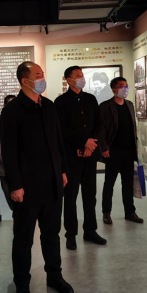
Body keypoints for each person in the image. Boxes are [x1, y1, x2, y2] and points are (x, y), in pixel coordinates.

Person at [0, 61, 74, 293]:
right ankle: (22, 283)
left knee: (52, 234)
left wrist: (63, 170)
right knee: (24, 238)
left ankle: (54, 276)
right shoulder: (12, 111)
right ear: (25, 81)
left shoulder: (49, 106)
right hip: (27, 187)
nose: (43, 79)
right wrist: (15, 185)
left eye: (42, 74)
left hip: (52, 183)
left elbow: (58, 142)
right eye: (38, 75)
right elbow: (8, 151)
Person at [55, 66, 107, 250]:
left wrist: (91, 143)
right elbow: (61, 129)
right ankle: (71, 234)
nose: (81, 78)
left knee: (90, 196)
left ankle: (90, 230)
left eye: (82, 75)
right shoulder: (60, 102)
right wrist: (83, 142)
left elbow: (99, 123)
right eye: (78, 76)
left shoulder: (91, 99)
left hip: (90, 157)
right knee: (70, 198)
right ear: (68, 80)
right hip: (71, 159)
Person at [99, 77, 144, 225]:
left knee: (128, 183)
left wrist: (135, 145)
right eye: (121, 86)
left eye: (126, 86)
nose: (125, 89)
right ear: (114, 89)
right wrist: (104, 148)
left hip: (128, 151)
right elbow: (101, 129)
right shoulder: (105, 106)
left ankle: (130, 212)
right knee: (109, 183)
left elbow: (133, 127)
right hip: (113, 151)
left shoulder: (129, 105)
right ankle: (106, 212)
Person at [0, 94, 16, 217]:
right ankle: (16, 215)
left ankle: (21, 217)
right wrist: (7, 159)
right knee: (8, 193)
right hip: (4, 167)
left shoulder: (23, 120)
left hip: (22, 167)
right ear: (4, 106)